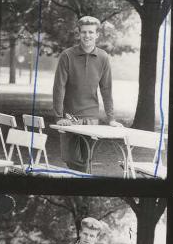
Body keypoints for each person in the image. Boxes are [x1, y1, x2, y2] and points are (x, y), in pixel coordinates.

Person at [52, 15, 123, 172]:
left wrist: (111, 118)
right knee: (70, 157)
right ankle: (83, 179)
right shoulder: (67, 55)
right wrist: (59, 117)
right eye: (84, 32)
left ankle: (81, 181)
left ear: (97, 34)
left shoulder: (103, 57)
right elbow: (59, 88)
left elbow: (106, 89)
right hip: (69, 117)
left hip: (91, 117)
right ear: (79, 33)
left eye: (91, 32)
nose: (87, 35)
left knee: (86, 159)